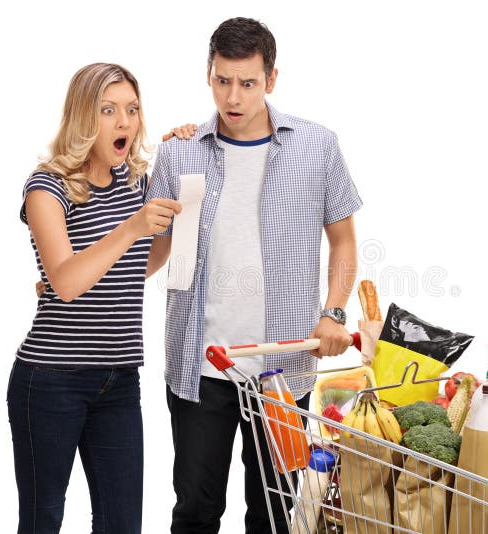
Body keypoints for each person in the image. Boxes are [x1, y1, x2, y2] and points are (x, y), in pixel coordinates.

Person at [145, 17, 363, 534]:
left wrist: (333, 312)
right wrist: (88, 277)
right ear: (209, 75)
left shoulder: (317, 147)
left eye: (247, 82)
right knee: (195, 513)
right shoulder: (180, 151)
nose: (233, 96)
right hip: (200, 365)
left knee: (275, 514)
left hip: (283, 370)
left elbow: (344, 241)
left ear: (272, 78)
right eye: (223, 81)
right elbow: (155, 249)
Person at [7, 62, 180, 534]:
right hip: (50, 380)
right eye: (108, 110)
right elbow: (64, 282)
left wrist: (184, 145)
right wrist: (132, 227)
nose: (124, 122)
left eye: (132, 109)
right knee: (44, 519)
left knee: (122, 523)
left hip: (119, 380)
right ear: (84, 117)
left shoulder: (137, 184)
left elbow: (136, 266)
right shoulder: (47, 187)